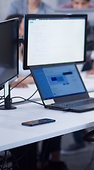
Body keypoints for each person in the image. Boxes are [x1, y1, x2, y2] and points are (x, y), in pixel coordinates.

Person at [6, 14, 67, 170]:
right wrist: (33, 78)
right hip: (20, 95)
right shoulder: (7, 50)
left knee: (54, 115)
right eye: (22, 26)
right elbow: (12, 79)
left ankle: (51, 161)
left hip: (30, 92)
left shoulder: (29, 47)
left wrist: (26, 79)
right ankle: (37, 162)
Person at [59, 0, 94, 155]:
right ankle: (79, 139)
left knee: (87, 92)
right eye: (76, 3)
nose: (79, 7)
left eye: (83, 4)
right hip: (66, 60)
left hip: (86, 60)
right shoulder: (61, 11)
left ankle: (85, 134)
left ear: (90, 2)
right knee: (69, 95)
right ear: (71, 1)